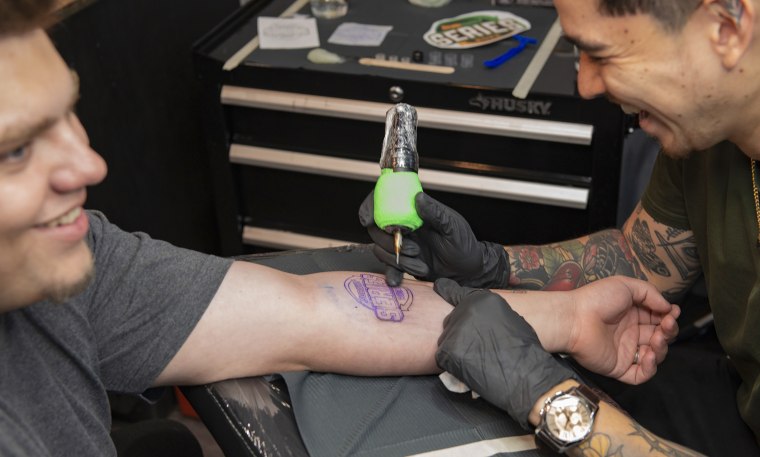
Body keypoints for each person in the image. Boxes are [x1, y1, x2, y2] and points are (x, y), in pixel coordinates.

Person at [0, 1, 681, 456]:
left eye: (70, 113)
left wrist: (558, 316)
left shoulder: (70, 261)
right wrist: (554, 395)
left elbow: (309, 312)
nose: (88, 163)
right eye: (18, 150)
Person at [362, 0, 760, 455]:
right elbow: (645, 260)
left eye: (602, 55)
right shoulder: (704, 131)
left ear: (726, 29)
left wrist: (545, 395)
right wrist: (493, 265)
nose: (586, 86)